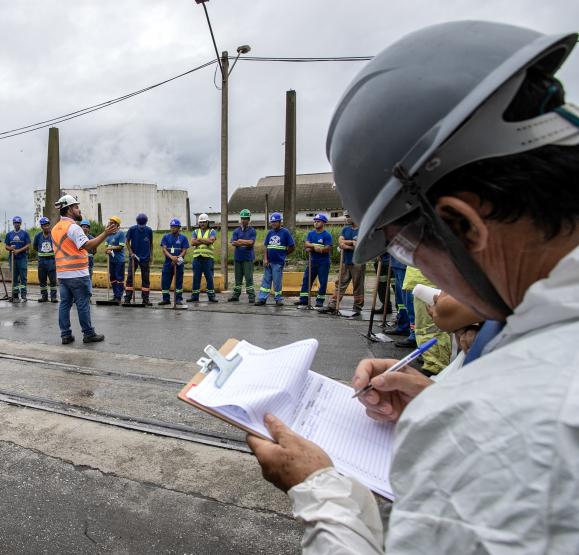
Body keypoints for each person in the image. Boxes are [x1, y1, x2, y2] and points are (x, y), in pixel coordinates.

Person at [247, 21, 579, 553]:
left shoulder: (500, 426)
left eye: (403, 249)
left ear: (463, 224)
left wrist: (321, 489)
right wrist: (434, 398)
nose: (418, 269)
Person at [51, 195, 118, 344]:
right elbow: (87, 246)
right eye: (76, 207)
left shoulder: (55, 229)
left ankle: (65, 335)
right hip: (78, 275)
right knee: (82, 304)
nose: (78, 209)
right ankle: (88, 334)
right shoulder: (73, 227)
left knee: (64, 304)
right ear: (69, 209)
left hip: (63, 275)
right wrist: (106, 233)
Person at [401, 267, 452, 371]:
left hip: (429, 282)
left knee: (430, 328)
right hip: (423, 281)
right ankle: (432, 361)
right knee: (425, 327)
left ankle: (436, 364)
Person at [321, 212, 364, 315]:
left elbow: (360, 245)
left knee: (358, 285)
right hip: (345, 261)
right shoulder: (345, 229)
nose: (347, 218)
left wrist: (346, 244)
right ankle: (333, 304)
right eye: (346, 217)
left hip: (358, 262)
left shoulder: (362, 230)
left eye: (349, 216)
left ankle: (357, 307)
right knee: (340, 283)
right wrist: (351, 244)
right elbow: (340, 242)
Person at [255, 212, 295, 306]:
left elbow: (292, 246)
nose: (273, 223)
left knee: (277, 281)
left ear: (280, 222)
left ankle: (278, 299)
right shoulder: (270, 233)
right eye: (272, 222)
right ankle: (262, 298)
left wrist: (284, 254)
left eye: (275, 222)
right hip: (268, 262)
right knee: (266, 280)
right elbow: (266, 247)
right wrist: (265, 259)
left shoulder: (285, 232)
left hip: (278, 262)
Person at [295, 213, 333, 307]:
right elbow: (306, 244)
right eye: (315, 221)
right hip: (312, 261)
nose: (316, 223)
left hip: (323, 262)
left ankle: (319, 301)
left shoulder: (327, 235)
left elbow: (327, 248)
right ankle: (304, 299)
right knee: (306, 280)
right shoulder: (310, 234)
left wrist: (312, 248)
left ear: (323, 223)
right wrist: (315, 247)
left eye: (318, 221)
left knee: (323, 282)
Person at [124, 213, 153, 305]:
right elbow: (127, 241)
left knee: (146, 279)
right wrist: (131, 252)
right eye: (140, 226)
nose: (141, 227)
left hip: (145, 258)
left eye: (142, 226)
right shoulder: (132, 229)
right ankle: (127, 298)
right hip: (134, 257)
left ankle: (145, 299)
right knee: (130, 277)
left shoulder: (149, 230)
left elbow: (151, 244)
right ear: (137, 223)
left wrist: (151, 256)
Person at [159, 218, 189, 305]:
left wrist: (178, 258)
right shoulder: (165, 237)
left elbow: (184, 250)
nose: (173, 228)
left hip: (179, 262)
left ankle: (178, 299)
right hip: (168, 262)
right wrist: (172, 257)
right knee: (165, 281)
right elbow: (164, 249)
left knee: (179, 281)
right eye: (172, 227)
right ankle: (166, 299)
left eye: (175, 227)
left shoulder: (183, 238)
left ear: (179, 228)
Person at [228, 209, 256, 303]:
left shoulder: (252, 230)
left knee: (249, 278)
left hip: (248, 258)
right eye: (242, 218)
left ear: (249, 219)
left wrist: (240, 241)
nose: (244, 220)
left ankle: (251, 296)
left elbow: (251, 242)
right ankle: (236, 295)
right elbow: (233, 242)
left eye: (246, 218)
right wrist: (245, 243)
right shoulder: (236, 230)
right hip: (238, 258)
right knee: (238, 278)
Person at [189, 213, 218, 303]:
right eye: (201, 222)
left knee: (209, 278)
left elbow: (211, 240)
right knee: (196, 278)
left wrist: (199, 240)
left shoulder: (212, 231)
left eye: (204, 222)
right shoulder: (195, 231)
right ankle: (195, 296)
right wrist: (205, 240)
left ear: (207, 222)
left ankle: (211, 296)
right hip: (197, 258)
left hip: (208, 259)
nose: (202, 224)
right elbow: (192, 242)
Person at [383, 256, 412, 337]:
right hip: (397, 263)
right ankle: (403, 325)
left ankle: (409, 328)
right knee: (401, 301)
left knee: (406, 300)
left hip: (404, 264)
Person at [5, 216, 30, 302]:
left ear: (20, 223)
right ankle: (15, 295)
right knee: (14, 277)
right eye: (15, 223)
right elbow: (6, 246)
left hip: (22, 258)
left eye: (18, 223)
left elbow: (28, 245)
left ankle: (23, 295)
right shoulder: (9, 234)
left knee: (23, 277)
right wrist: (11, 249)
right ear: (13, 224)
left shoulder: (25, 234)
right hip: (13, 259)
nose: (17, 224)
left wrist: (19, 250)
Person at [33, 217, 58, 302]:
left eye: (47, 225)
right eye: (44, 226)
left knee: (53, 280)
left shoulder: (53, 235)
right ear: (41, 227)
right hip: (42, 262)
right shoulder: (38, 236)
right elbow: (35, 246)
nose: (46, 227)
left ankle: (53, 297)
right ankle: (44, 296)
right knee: (42, 280)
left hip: (51, 261)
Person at [105, 217, 126, 303]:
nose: (110, 224)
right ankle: (115, 295)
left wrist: (110, 248)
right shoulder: (108, 235)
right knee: (112, 278)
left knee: (119, 278)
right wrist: (107, 250)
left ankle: (119, 296)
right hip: (111, 261)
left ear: (117, 225)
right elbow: (106, 247)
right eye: (109, 222)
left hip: (119, 260)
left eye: (112, 223)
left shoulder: (121, 233)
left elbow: (120, 247)